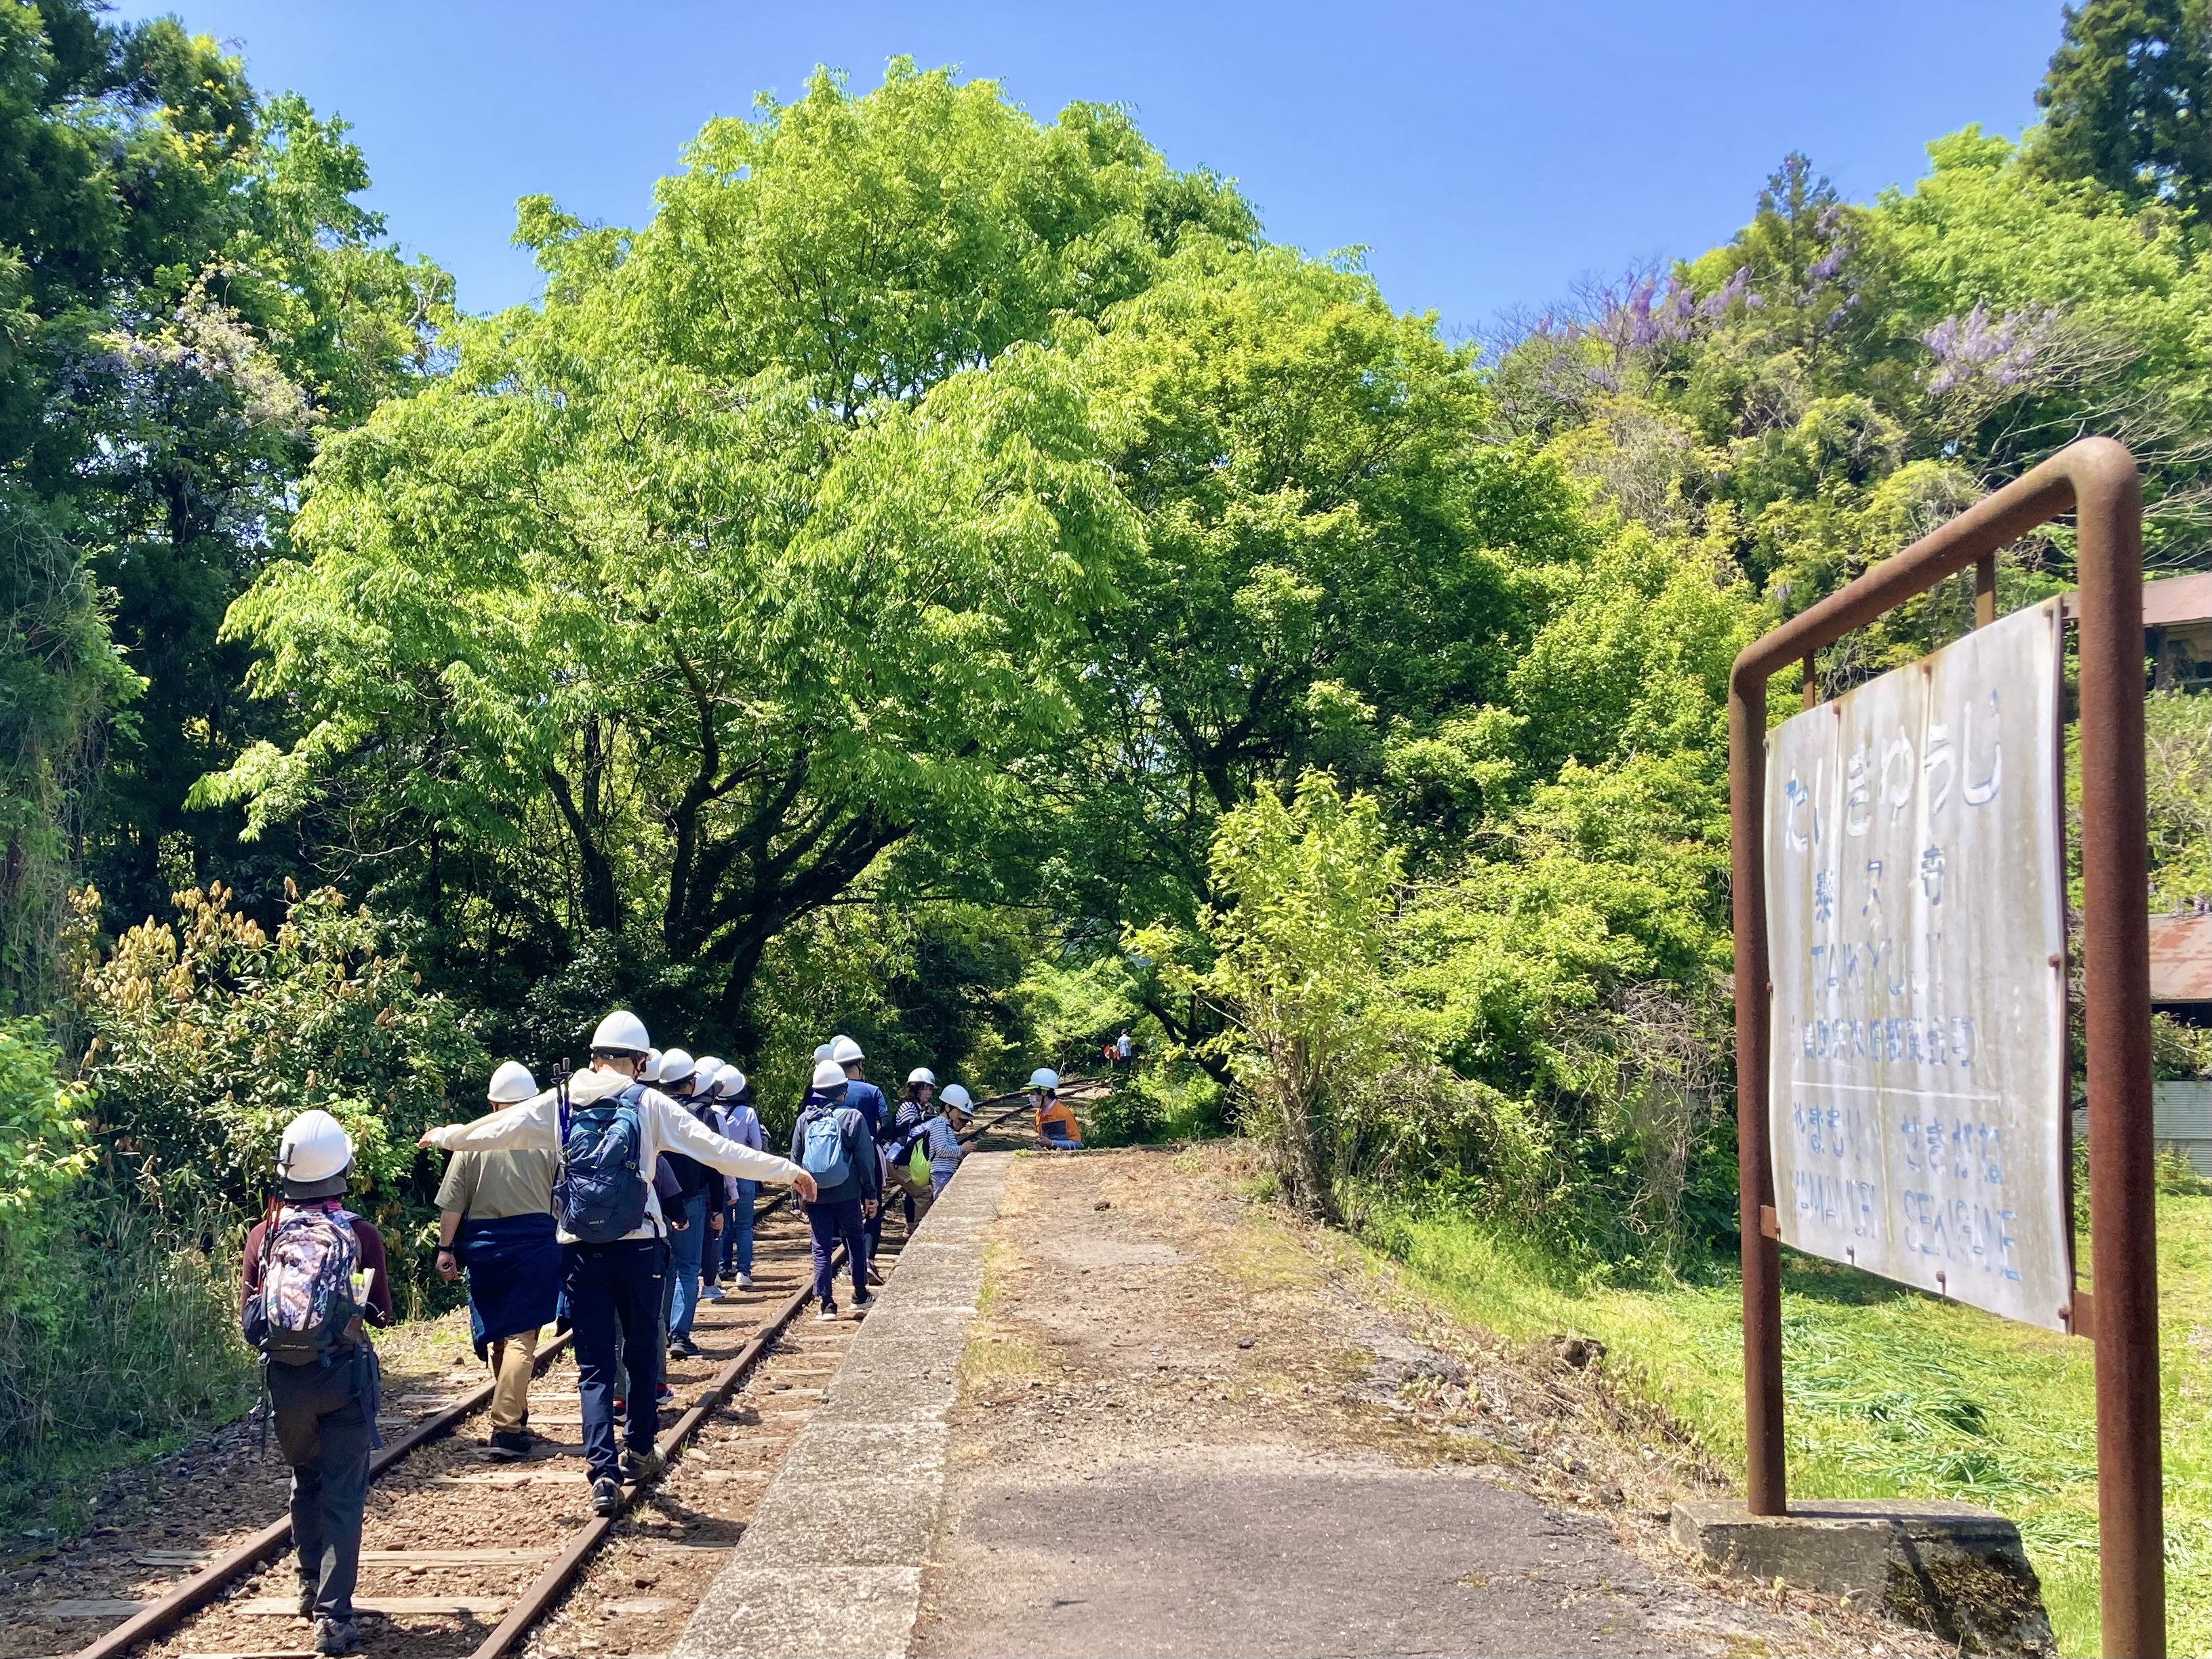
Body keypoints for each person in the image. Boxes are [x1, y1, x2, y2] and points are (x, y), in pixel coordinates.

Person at [418, 1010, 817, 1519]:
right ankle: (639, 1448)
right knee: (642, 1350)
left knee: (593, 1364)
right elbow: (718, 1152)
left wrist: (448, 1134)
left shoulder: (560, 1100)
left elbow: (499, 1129)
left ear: (593, 1056)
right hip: (640, 1247)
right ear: (640, 1061)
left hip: (579, 1247)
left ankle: (601, 1473)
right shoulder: (647, 1102)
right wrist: (788, 1171)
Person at [241, 1111, 395, 1657]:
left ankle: (308, 1585)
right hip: (343, 1377)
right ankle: (333, 1617)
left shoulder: (265, 1234)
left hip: (286, 1383)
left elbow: (250, 1321)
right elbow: (377, 1311)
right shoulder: (358, 1234)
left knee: (306, 1480)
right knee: (345, 1494)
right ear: (341, 1168)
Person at [433, 1060, 559, 1459]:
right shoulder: (548, 1138)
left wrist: (445, 1249)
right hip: (536, 1243)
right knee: (522, 1334)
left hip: (485, 1245)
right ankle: (506, 1426)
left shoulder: (474, 1138)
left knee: (500, 1331)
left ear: (492, 1103)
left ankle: (515, 1415)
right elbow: (563, 1196)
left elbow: (453, 1203)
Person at [791, 1056, 879, 1321]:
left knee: (820, 1245)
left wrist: (800, 1196)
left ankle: (826, 1303)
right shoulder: (853, 1118)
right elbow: (866, 1160)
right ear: (843, 1090)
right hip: (848, 1192)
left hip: (815, 1193)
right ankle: (860, 1294)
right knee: (855, 1237)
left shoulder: (805, 1120)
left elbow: (795, 1159)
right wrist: (871, 1195)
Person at [828, 1036, 889, 1283]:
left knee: (846, 1207)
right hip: (869, 1154)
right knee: (873, 1205)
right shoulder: (872, 1091)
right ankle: (869, 1260)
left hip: (838, 1157)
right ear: (860, 1064)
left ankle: (853, 1260)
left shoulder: (831, 1091)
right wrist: (876, 1140)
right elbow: (887, 1123)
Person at [707, 1064, 761, 1291]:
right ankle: (743, 1272)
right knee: (745, 1226)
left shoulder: (711, 1113)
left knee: (723, 1225)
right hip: (745, 1173)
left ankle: (721, 1268)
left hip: (720, 1175)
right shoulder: (748, 1113)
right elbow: (757, 1146)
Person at [927, 1084, 973, 1194]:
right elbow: (941, 1150)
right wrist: (962, 1148)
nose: (960, 1115)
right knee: (940, 1199)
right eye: (959, 1111)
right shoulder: (940, 1123)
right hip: (941, 1172)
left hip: (945, 1171)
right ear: (948, 1108)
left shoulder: (945, 1125)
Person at [1030, 1067, 1083, 1148]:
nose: (1031, 1097)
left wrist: (1052, 1143)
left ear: (1044, 1092)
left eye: (1033, 1094)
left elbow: (1078, 1144)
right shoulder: (1039, 1114)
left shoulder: (1064, 1114)